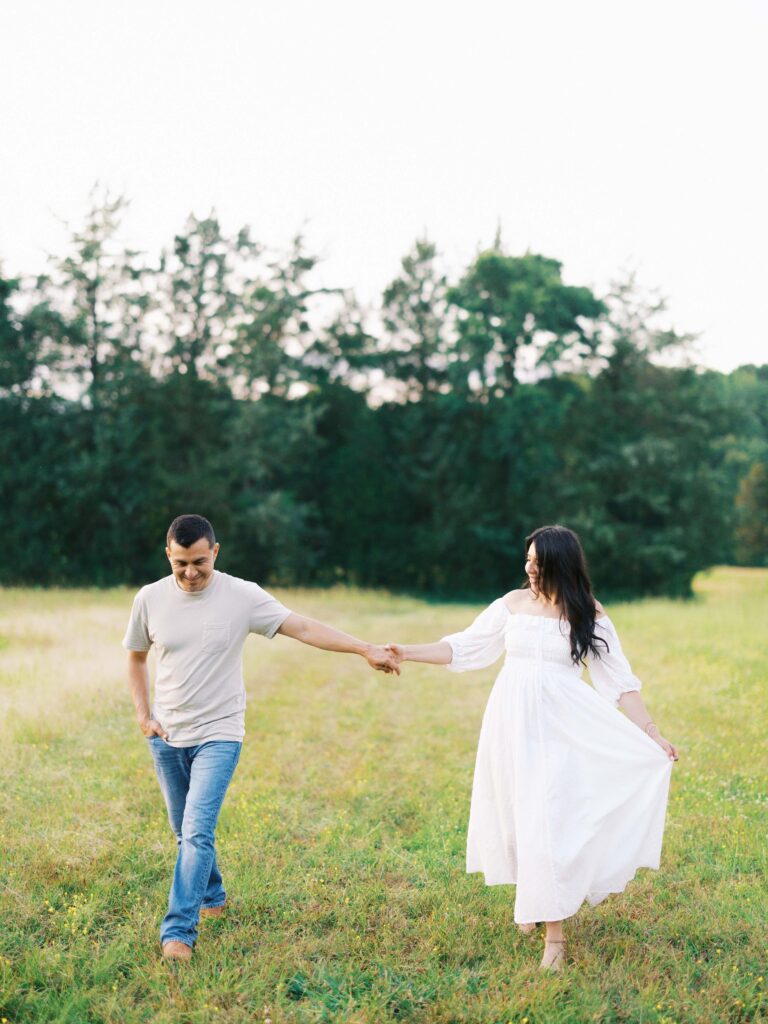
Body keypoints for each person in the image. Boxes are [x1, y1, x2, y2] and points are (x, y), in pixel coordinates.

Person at [385, 524, 678, 972]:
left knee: (550, 819)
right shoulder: (512, 604)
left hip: (563, 727)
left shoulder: (588, 613)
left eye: (539, 564)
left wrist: (652, 733)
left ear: (562, 564)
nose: (530, 570)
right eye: (528, 561)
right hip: (511, 723)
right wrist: (406, 651)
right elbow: (462, 647)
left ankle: (555, 938)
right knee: (519, 814)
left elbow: (619, 682)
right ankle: (532, 898)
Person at [123, 513, 399, 962]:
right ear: (168, 555)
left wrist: (364, 648)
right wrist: (144, 717)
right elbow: (136, 658)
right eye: (180, 564)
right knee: (184, 831)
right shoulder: (149, 599)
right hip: (167, 734)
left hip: (220, 732)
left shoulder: (241, 596)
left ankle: (178, 933)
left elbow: (302, 627)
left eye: (199, 562)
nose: (190, 573)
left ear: (215, 552)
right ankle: (212, 895)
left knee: (196, 831)